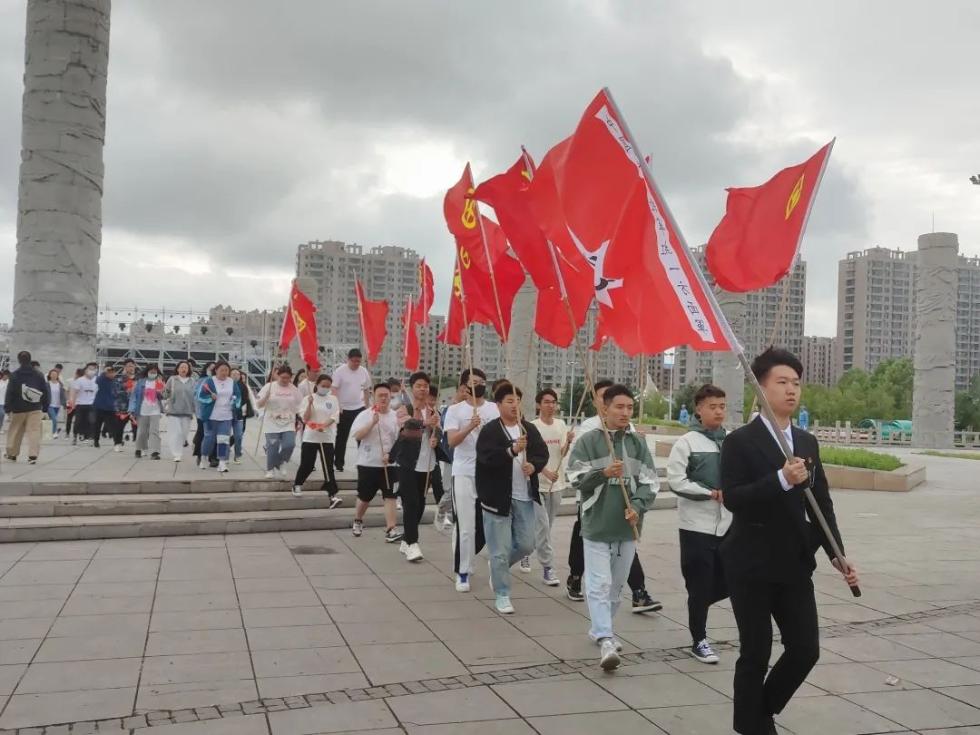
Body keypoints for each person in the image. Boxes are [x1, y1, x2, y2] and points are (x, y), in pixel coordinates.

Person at [721, 348, 858, 735]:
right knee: (756, 651)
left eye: (796, 383)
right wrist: (781, 479)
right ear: (761, 388)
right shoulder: (740, 442)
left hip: (794, 563)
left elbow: (821, 503)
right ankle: (755, 727)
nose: (791, 390)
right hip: (749, 563)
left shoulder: (806, 442)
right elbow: (734, 498)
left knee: (804, 649)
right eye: (781, 382)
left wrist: (836, 553)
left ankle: (757, 713)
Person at [568, 384, 659, 671]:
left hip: (627, 527)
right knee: (599, 584)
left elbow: (650, 481)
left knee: (617, 587)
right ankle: (606, 639)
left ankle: (600, 628)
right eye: (619, 407)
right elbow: (575, 477)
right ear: (604, 408)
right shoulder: (588, 441)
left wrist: (638, 506)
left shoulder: (637, 443)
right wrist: (602, 473)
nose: (625, 412)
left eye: (630, 407)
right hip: (596, 525)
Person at [667, 384, 732, 665]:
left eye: (722, 406)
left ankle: (698, 602)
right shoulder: (687, 442)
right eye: (712, 407)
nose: (718, 411)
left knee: (733, 580)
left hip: (728, 524)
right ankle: (699, 639)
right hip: (696, 526)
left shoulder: (731, 441)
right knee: (700, 583)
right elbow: (676, 480)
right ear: (698, 409)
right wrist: (709, 493)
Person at [476, 384, 548, 614]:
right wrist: (512, 450)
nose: (514, 405)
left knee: (527, 544)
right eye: (509, 401)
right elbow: (486, 459)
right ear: (498, 405)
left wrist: (533, 466)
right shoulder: (490, 431)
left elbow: (542, 453)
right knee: (499, 549)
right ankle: (502, 594)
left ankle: (498, 567)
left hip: (523, 496)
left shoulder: (528, 429)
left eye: (517, 400)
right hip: (496, 499)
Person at [445, 368, 499, 592]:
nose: (478, 384)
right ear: (465, 385)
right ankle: (463, 572)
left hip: (488, 473)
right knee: (466, 526)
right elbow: (452, 442)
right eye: (473, 381)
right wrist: (469, 426)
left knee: (488, 526)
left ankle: (473, 558)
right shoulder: (455, 410)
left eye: (481, 381)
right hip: (464, 472)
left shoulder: (494, 409)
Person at [390, 371, 441, 562]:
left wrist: (436, 436)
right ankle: (413, 544)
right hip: (408, 463)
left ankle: (406, 539)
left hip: (427, 463)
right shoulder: (405, 409)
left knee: (420, 503)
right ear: (412, 388)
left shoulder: (433, 411)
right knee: (410, 503)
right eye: (419, 386)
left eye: (425, 386)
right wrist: (425, 423)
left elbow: (438, 431)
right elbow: (407, 427)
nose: (423, 389)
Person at [525, 388, 573, 587]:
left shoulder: (561, 425)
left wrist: (568, 442)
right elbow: (530, 456)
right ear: (538, 405)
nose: (551, 405)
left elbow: (562, 452)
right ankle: (548, 567)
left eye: (553, 402)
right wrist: (544, 471)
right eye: (546, 402)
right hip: (538, 484)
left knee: (547, 526)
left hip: (557, 484)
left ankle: (525, 551)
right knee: (542, 525)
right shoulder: (532, 427)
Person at [350, 383, 400, 540]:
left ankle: (391, 529)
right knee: (365, 496)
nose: (384, 398)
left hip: (389, 464)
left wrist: (392, 455)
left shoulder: (395, 416)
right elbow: (357, 435)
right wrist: (372, 423)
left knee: (390, 496)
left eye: (386, 395)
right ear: (374, 397)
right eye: (380, 395)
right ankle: (358, 519)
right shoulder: (365, 415)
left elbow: (399, 440)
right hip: (368, 463)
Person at [292, 373, 341, 504]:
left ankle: (332, 494)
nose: (325, 388)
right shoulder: (308, 398)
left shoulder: (333, 399)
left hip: (327, 437)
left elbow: (335, 416)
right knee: (307, 465)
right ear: (317, 385)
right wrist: (309, 404)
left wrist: (323, 426)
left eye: (328, 386)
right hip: (310, 437)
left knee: (328, 466)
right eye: (323, 385)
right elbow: (305, 418)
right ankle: (297, 484)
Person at [255, 365, 303, 478]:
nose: (285, 380)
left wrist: (302, 417)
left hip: (288, 421)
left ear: (291, 377)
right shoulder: (269, 386)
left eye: (288, 378)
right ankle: (270, 469)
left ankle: (281, 462)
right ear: (278, 376)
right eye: (282, 377)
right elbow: (258, 404)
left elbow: (300, 405)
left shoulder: (294, 389)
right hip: (271, 422)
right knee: (273, 445)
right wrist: (265, 398)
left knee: (289, 444)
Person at [3, 351, 50, 464]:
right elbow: (45, 391)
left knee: (15, 432)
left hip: (18, 408)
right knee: (34, 431)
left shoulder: (15, 375)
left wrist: (7, 408)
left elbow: (10, 393)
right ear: (30, 359)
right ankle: (32, 455)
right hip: (35, 407)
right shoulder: (38, 374)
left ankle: (12, 454)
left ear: (19, 360)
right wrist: (45, 407)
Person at [196, 360, 242, 473]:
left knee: (223, 439)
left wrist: (234, 401)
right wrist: (210, 398)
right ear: (216, 370)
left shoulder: (232, 382)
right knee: (209, 438)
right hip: (211, 416)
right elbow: (200, 396)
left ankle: (222, 462)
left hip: (226, 416)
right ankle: (204, 457)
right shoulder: (209, 381)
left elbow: (238, 397)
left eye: (226, 370)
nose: (224, 372)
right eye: (222, 370)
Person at [331, 348, 372, 472]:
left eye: (358, 361)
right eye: (353, 361)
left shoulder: (363, 371)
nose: (356, 364)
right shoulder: (340, 371)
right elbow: (334, 389)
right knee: (342, 437)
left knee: (362, 436)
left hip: (359, 407)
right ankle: (339, 463)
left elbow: (367, 389)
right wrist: (337, 406)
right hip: (344, 408)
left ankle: (362, 461)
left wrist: (367, 406)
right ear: (348, 359)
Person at [435, 382, 468, 529]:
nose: (465, 394)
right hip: (451, 456)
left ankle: (452, 516)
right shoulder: (450, 410)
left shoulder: (474, 411)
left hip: (467, 458)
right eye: (462, 391)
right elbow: (445, 431)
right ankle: (442, 511)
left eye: (467, 391)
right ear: (457, 392)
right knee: (449, 490)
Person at [163, 361, 196, 462]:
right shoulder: (172, 379)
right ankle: (176, 454)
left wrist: (196, 409)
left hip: (187, 411)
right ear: (177, 369)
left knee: (184, 433)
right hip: (173, 411)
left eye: (185, 367)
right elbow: (165, 393)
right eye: (181, 367)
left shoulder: (192, 381)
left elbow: (195, 396)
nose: (183, 369)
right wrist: (164, 392)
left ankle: (178, 447)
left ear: (189, 369)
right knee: (176, 433)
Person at [130, 366, 165, 459]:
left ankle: (155, 452)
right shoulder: (140, 382)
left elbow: (164, 396)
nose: (153, 373)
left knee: (154, 431)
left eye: (155, 371)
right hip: (142, 410)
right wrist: (131, 409)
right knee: (142, 431)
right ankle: (139, 449)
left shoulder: (159, 382)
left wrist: (161, 387)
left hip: (155, 410)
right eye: (151, 371)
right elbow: (134, 396)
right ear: (147, 372)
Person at [192, 361, 217, 467]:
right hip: (203, 411)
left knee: (215, 435)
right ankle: (200, 454)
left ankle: (213, 457)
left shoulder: (219, 381)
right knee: (202, 433)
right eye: (210, 368)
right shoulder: (201, 381)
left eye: (214, 368)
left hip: (217, 412)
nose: (212, 370)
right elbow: (196, 396)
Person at [69, 362, 98, 445]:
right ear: (86, 370)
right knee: (78, 421)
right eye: (90, 369)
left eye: (94, 369)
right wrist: (72, 402)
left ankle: (89, 437)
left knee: (91, 421)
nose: (92, 371)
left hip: (92, 404)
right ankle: (75, 437)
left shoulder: (96, 380)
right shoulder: (80, 380)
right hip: (80, 404)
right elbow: (74, 392)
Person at [229, 368, 254, 464]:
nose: (235, 376)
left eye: (237, 374)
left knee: (239, 435)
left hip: (239, 414)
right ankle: (224, 456)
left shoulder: (243, 386)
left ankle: (237, 455)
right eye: (233, 374)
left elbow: (245, 399)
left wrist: (236, 405)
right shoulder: (226, 384)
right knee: (224, 436)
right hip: (226, 414)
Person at [92, 364, 119, 449]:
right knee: (97, 425)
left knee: (113, 426)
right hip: (99, 406)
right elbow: (98, 380)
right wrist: (104, 372)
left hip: (110, 408)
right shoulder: (101, 380)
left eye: (112, 372)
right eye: (109, 372)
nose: (111, 374)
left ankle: (116, 441)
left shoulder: (115, 381)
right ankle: (96, 441)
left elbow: (117, 393)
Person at [115, 359, 139, 445]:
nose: (131, 368)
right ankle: (117, 443)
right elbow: (116, 392)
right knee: (119, 427)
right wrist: (126, 390)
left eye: (132, 366)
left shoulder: (139, 379)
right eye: (129, 366)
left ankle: (138, 444)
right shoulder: (120, 379)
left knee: (137, 427)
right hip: (123, 407)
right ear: (124, 367)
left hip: (135, 408)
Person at [46, 369, 66, 438]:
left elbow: (63, 395)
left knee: (52, 419)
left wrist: (64, 403)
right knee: (54, 419)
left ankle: (50, 432)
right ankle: (54, 433)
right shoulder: (47, 384)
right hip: (49, 405)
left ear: (57, 375)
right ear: (50, 375)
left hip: (57, 405)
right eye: (52, 374)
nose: (54, 375)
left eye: (55, 374)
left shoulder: (60, 384)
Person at [0, 369, 9, 434]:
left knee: (2, 414)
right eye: (6, 376)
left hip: (3, 402)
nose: (7, 377)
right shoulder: (0, 382)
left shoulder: (9, 382)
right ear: (4, 375)